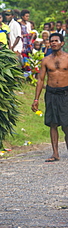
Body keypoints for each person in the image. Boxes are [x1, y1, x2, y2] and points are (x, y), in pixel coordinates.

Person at [32, 33, 68, 162]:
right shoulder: (46, 60)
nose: (53, 43)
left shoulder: (67, 58)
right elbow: (40, 80)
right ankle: (55, 153)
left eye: (56, 41)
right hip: (51, 93)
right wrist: (36, 99)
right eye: (51, 41)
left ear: (62, 43)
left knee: (66, 124)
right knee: (52, 123)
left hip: (65, 93)